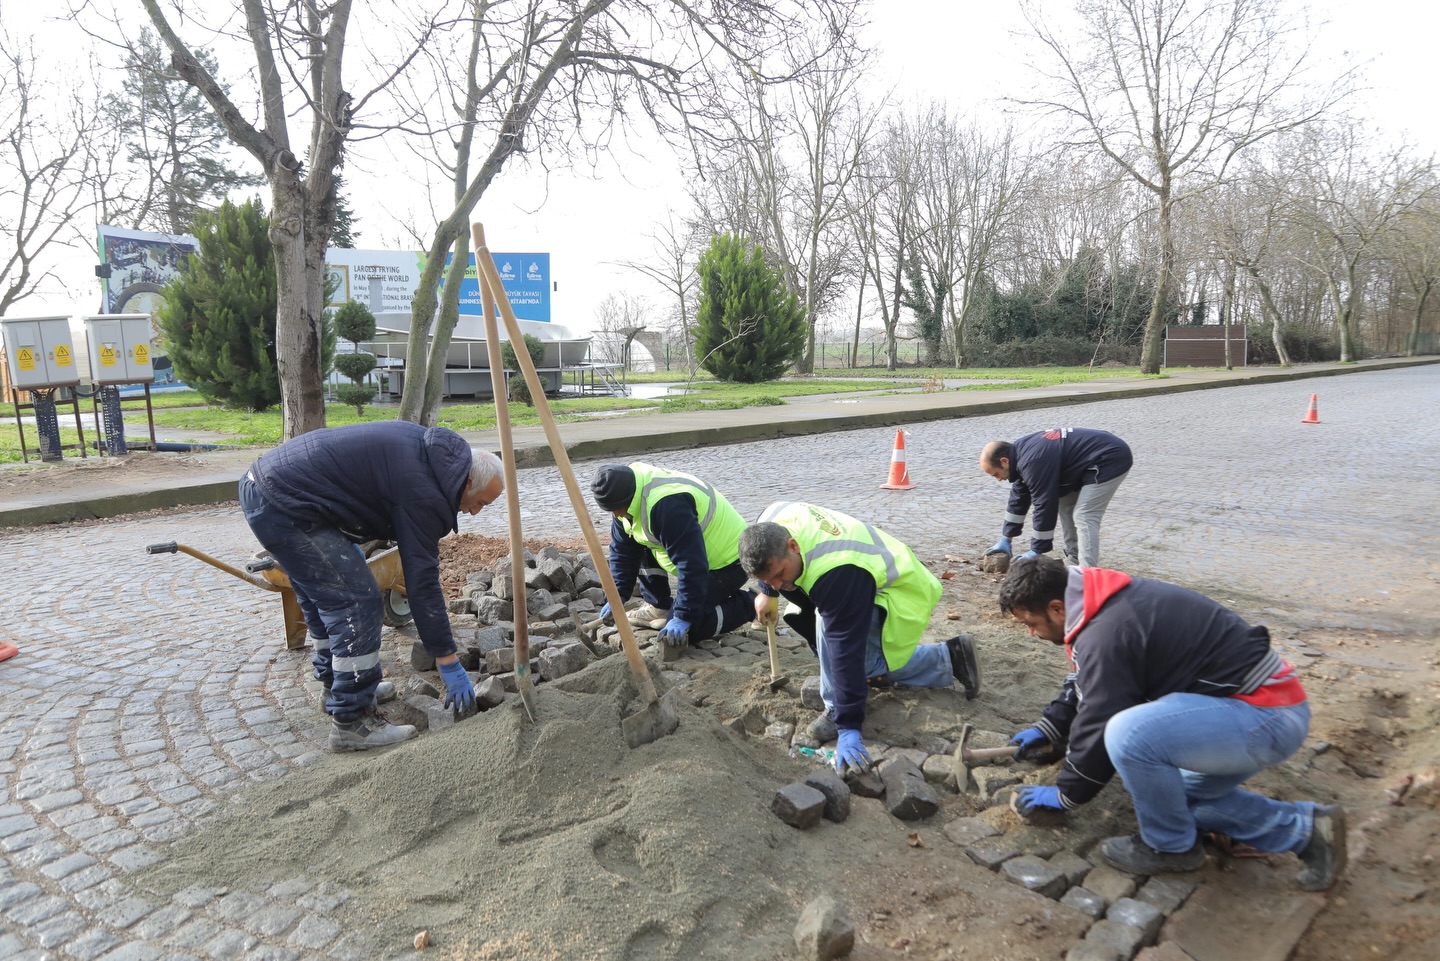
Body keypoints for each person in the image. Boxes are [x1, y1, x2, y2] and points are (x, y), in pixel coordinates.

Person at [999, 556, 1345, 889]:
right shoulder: (1096, 600)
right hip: (1255, 709)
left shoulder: (1106, 632)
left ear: (1057, 608)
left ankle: (1169, 846)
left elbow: (1099, 716)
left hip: (1265, 718)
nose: (1031, 633)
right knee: (1170, 801)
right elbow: (1090, 679)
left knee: (1127, 735)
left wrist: (1067, 794)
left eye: (1032, 623)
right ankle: (1306, 830)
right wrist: (1051, 726)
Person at [239, 422, 502, 752]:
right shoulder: (425, 492)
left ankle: (338, 688)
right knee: (357, 600)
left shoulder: (435, 456)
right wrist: (447, 661)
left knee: (327, 591)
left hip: (272, 489)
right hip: (282, 503)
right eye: (480, 503)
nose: (475, 512)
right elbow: (421, 582)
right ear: (467, 482)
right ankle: (352, 721)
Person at [738, 501, 980, 776]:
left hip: (900, 591)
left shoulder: (835, 573)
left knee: (853, 656)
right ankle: (947, 658)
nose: (779, 584)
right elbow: (770, 562)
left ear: (793, 546)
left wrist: (848, 725)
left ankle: (947, 657)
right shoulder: (770, 521)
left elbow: (844, 650)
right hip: (864, 576)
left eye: (779, 575)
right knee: (810, 621)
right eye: (770, 579)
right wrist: (767, 592)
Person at [590, 463, 758, 647]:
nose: (615, 515)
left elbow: (692, 565)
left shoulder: (668, 506)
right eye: (611, 510)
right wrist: (617, 595)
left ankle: (754, 604)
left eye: (617, 509)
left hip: (731, 562)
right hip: (698, 556)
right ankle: (659, 606)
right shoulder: (625, 493)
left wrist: (683, 615)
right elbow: (623, 552)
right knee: (639, 540)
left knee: (690, 630)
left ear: (628, 498)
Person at [981, 427, 1132, 568]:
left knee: (1085, 515)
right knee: (1064, 503)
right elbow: (1018, 500)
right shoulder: (1020, 456)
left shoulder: (1032, 461)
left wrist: (1037, 550)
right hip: (1086, 460)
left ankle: (1087, 573)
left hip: (1110, 457)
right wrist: (1006, 539)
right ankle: (1074, 559)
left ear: (1004, 461)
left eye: (995, 474)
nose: (998, 479)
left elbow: (1044, 504)